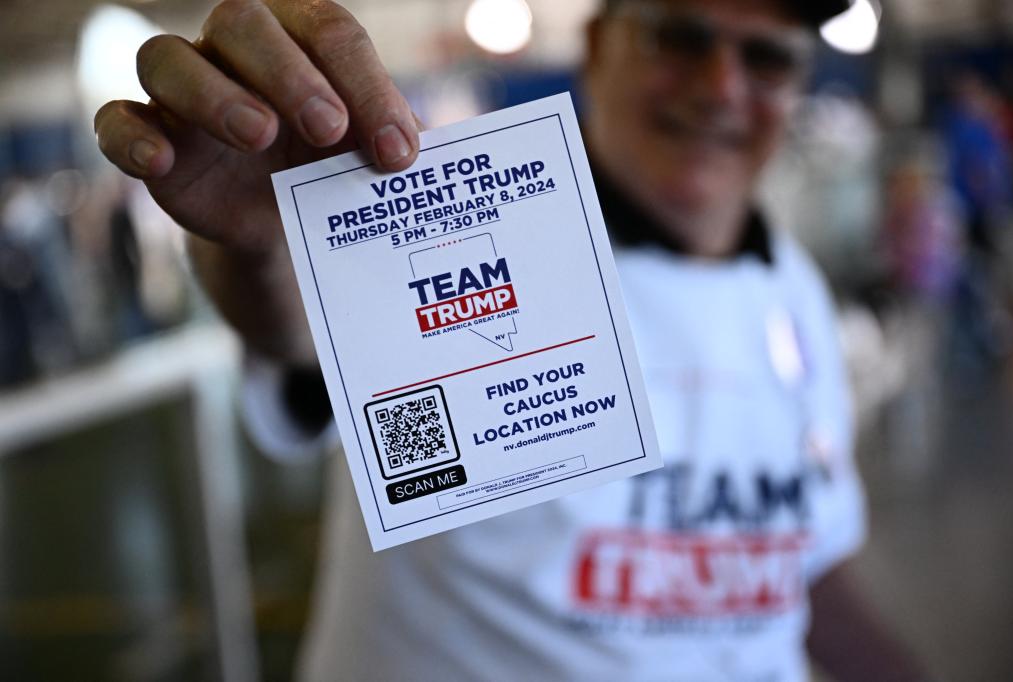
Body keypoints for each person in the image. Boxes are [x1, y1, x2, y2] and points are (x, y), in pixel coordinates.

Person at [95, 0, 930, 679]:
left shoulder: (790, 283)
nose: (721, 86)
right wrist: (274, 246)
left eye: (768, 58)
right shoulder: (461, 233)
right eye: (681, 36)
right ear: (599, 47)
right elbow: (298, 328)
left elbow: (796, 558)